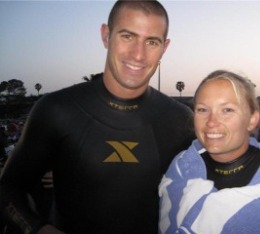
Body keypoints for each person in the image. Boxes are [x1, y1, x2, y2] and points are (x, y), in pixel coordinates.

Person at [0, 1, 195, 234]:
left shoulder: (180, 120)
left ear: (164, 47)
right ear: (106, 35)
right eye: (127, 36)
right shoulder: (57, 110)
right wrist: (37, 229)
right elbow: (7, 189)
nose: (138, 54)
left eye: (151, 41)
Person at [159, 70, 260, 234]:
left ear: (252, 120)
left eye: (227, 110)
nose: (212, 122)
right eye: (203, 110)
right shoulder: (180, 167)